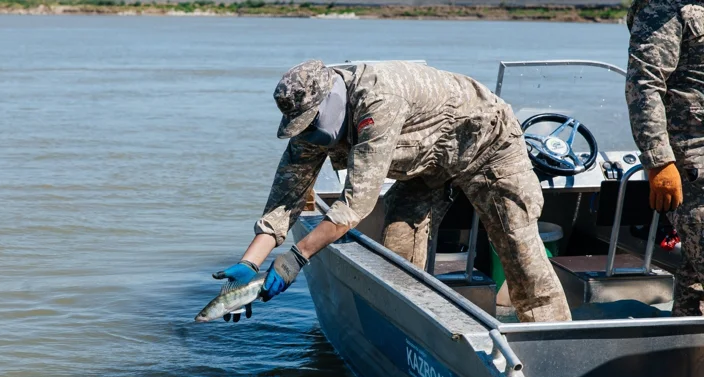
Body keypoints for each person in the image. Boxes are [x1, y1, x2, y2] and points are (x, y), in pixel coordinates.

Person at [214, 60, 572, 323]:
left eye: (309, 123)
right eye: (299, 126)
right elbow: (284, 200)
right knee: (399, 248)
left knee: (518, 245)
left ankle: (553, 343)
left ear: (329, 103)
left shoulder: (378, 100)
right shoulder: (312, 128)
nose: (305, 132)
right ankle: (417, 333)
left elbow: (356, 203)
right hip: (424, 160)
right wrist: (250, 263)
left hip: (484, 144)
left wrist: (296, 257)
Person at [626, 0, 704, 316]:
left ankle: (684, 359)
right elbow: (644, 85)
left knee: (694, 284)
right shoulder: (665, 8)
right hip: (692, 162)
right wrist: (659, 160)